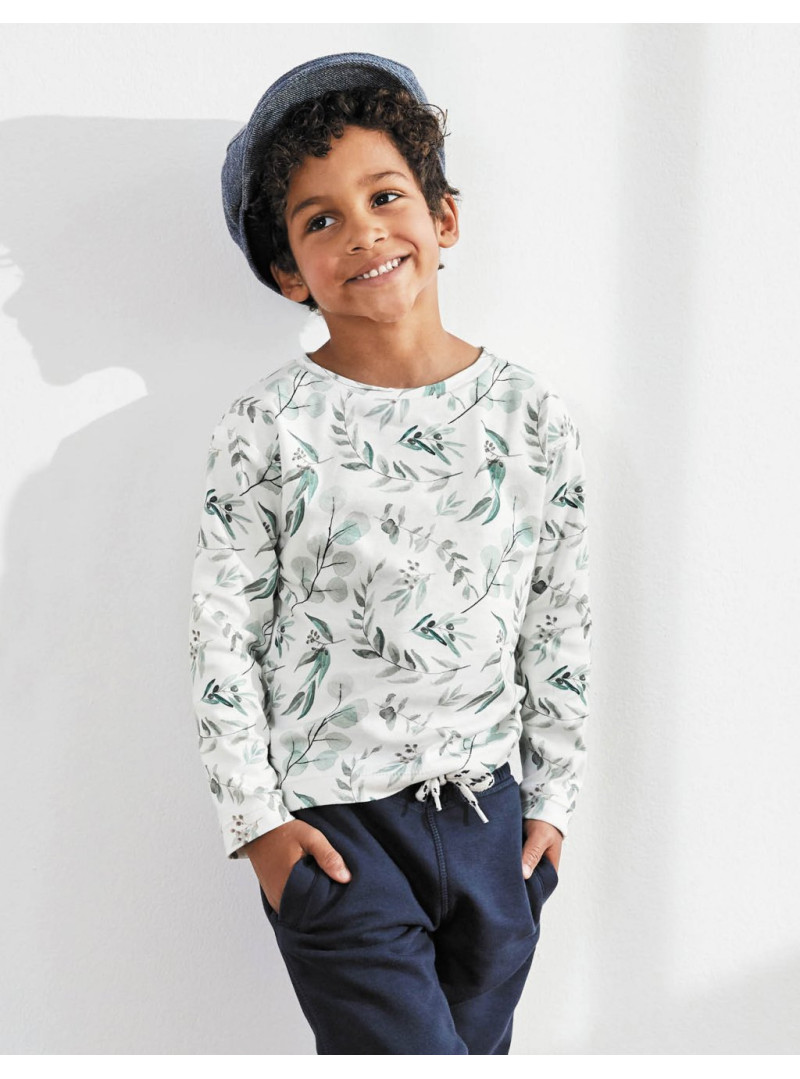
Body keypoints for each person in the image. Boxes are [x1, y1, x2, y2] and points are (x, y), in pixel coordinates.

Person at [188, 51, 592, 1055]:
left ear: (442, 217)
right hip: (338, 835)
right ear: (289, 271)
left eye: (384, 196)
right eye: (320, 220)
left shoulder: (530, 414)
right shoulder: (267, 427)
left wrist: (551, 803)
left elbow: (557, 617)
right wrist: (257, 826)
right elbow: (222, 631)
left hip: (493, 824)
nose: (362, 231)